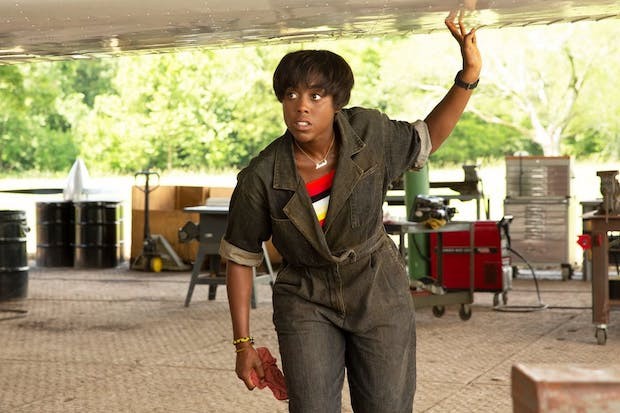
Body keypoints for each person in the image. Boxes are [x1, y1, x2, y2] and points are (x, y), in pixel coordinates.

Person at [219, 12, 481, 413]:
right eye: (290, 95)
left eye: (315, 96)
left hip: (378, 287)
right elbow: (240, 256)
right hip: (306, 297)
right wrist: (243, 344)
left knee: (387, 406)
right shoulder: (262, 175)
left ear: (337, 102)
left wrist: (468, 76)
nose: (301, 107)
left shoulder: (370, 133)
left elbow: (426, 137)